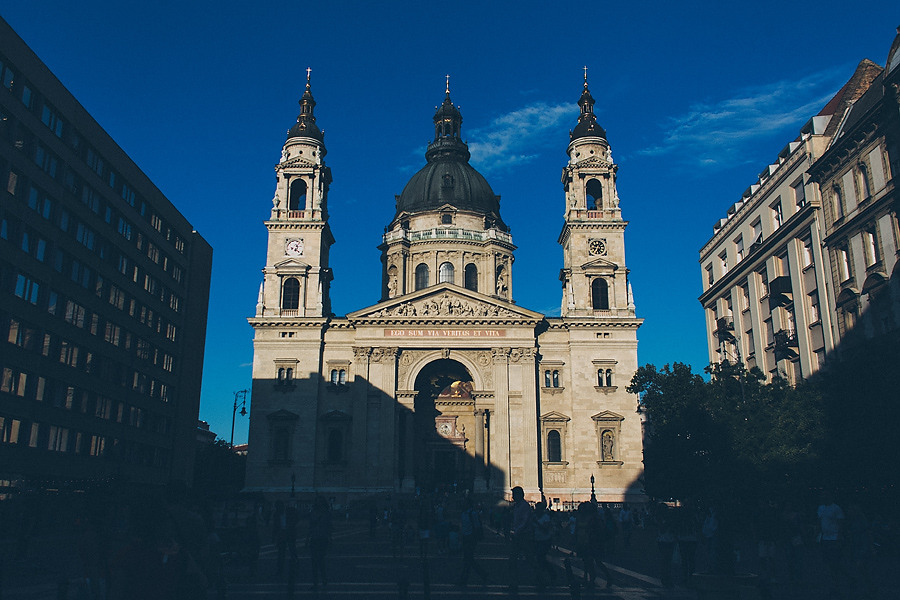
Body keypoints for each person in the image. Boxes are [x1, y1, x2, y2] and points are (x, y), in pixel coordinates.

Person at [817, 491, 845, 596]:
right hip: (825, 538)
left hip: (834, 538)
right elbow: (820, 522)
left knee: (834, 562)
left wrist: (838, 538)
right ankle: (835, 582)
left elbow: (841, 524)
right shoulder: (820, 508)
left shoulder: (836, 508)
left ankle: (836, 583)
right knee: (828, 562)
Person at [457, 498, 488, 586]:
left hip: (471, 538)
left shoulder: (472, 514)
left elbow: (477, 526)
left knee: (468, 559)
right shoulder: (463, 513)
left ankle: (464, 580)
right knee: (468, 559)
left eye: (464, 502)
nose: (462, 504)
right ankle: (483, 574)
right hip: (465, 538)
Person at [508, 486, 533, 592]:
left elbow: (525, 521)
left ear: (519, 495)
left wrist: (516, 532)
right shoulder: (517, 506)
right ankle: (513, 584)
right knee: (513, 561)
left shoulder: (524, 506)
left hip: (524, 536)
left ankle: (540, 579)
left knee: (529, 560)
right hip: (518, 536)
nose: (512, 496)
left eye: (514, 494)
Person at [308, 497, 332, 591]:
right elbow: (329, 527)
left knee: (316, 561)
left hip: (317, 539)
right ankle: (322, 579)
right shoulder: (326, 514)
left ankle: (317, 582)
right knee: (319, 561)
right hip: (321, 539)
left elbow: (311, 527)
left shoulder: (313, 513)